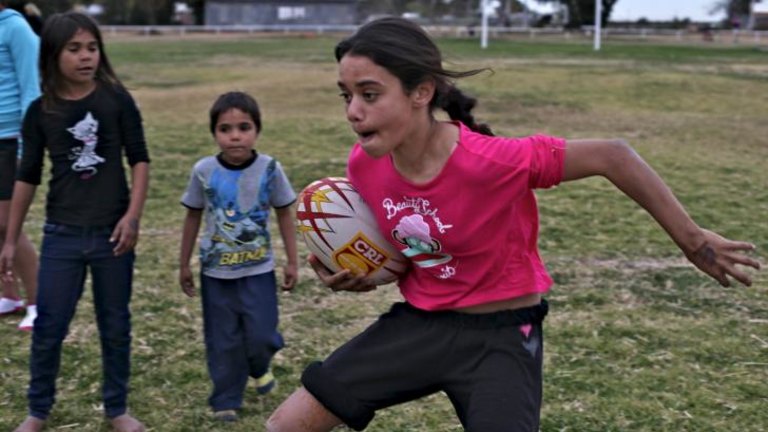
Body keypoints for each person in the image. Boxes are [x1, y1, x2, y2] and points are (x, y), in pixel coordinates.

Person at [265, 17, 761, 432]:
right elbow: (414, 254)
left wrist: (692, 241)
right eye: (346, 95)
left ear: (421, 92)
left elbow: (615, 156)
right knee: (285, 425)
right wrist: (366, 276)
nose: (353, 111)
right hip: (419, 328)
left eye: (369, 94)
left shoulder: (493, 162)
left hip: (502, 339)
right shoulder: (363, 166)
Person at [0, 11, 150, 432]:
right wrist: (10, 239)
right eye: (74, 49)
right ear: (53, 54)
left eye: (92, 47)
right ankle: (38, 410)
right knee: (48, 326)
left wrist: (132, 217)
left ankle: (117, 409)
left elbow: (139, 159)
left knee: (115, 325)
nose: (86, 57)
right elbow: (27, 176)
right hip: (61, 236)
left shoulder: (117, 100)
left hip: (112, 236)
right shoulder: (39, 111)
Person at [179, 91, 299, 422]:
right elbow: (192, 216)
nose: (235, 136)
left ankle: (259, 364)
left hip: (258, 270)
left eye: (244, 127)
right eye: (225, 128)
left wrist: (292, 260)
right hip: (215, 273)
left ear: (256, 130)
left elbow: (285, 214)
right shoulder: (203, 171)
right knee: (222, 338)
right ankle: (225, 399)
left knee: (261, 334)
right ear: (214, 133)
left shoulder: (271, 169)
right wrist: (184, 264)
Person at [0, 0, 39, 330]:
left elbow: (32, 90)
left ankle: (38, 302)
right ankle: (9, 295)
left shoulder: (15, 27)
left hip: (11, 139)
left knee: (6, 224)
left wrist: (28, 144)